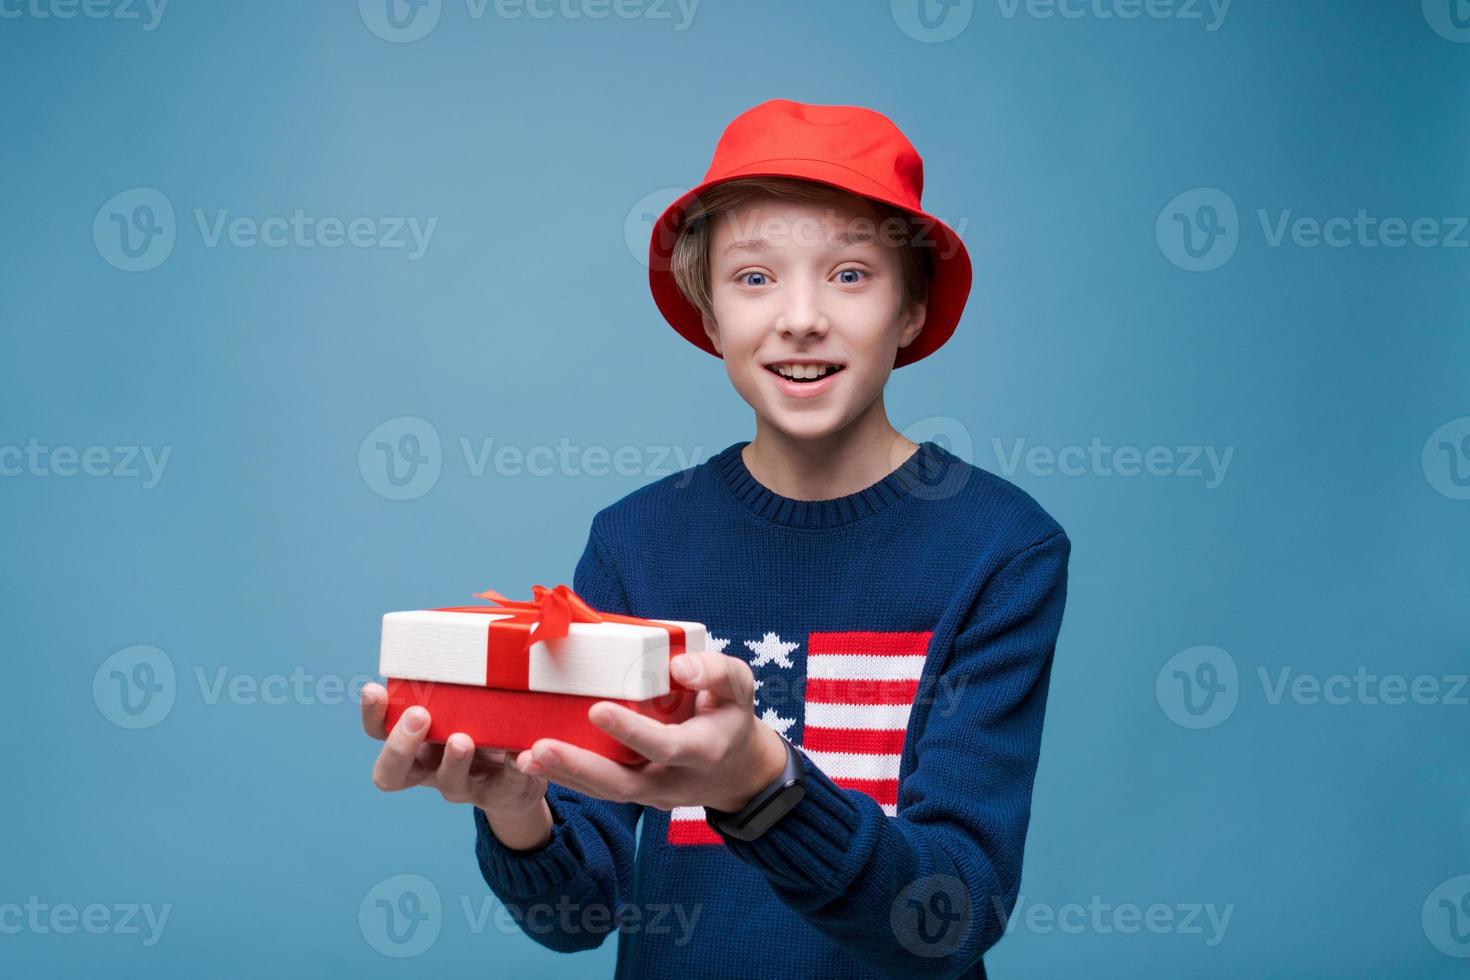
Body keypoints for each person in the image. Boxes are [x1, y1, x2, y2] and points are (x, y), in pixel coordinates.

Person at [360, 98, 1071, 978]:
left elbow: (948, 915)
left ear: (913, 308)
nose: (801, 317)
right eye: (754, 277)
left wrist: (761, 786)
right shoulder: (637, 540)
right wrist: (518, 808)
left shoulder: (1001, 548)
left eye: (850, 274)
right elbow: (578, 916)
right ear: (708, 315)